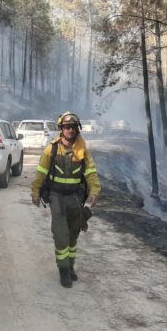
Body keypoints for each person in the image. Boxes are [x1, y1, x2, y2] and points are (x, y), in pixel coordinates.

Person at [30, 111, 101, 288]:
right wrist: (35, 191)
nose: (70, 130)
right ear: (61, 129)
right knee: (61, 235)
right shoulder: (52, 149)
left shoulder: (82, 151)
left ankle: (70, 267)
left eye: (73, 127)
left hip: (75, 198)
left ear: (77, 130)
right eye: (67, 127)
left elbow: (91, 173)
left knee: (73, 235)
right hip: (57, 197)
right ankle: (63, 270)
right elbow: (41, 172)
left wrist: (94, 192)